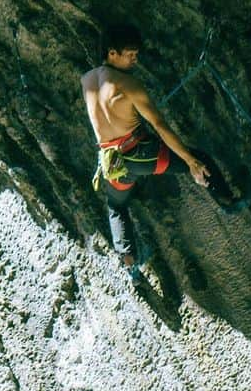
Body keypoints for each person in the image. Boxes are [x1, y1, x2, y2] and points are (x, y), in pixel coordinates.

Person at [81, 22, 234, 267]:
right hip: (142, 155)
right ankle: (229, 201)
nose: (135, 60)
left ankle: (128, 260)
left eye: (136, 55)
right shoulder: (129, 84)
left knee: (116, 207)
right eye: (130, 55)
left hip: (112, 163)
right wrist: (190, 161)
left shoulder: (86, 81)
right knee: (200, 159)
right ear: (112, 53)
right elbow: (160, 125)